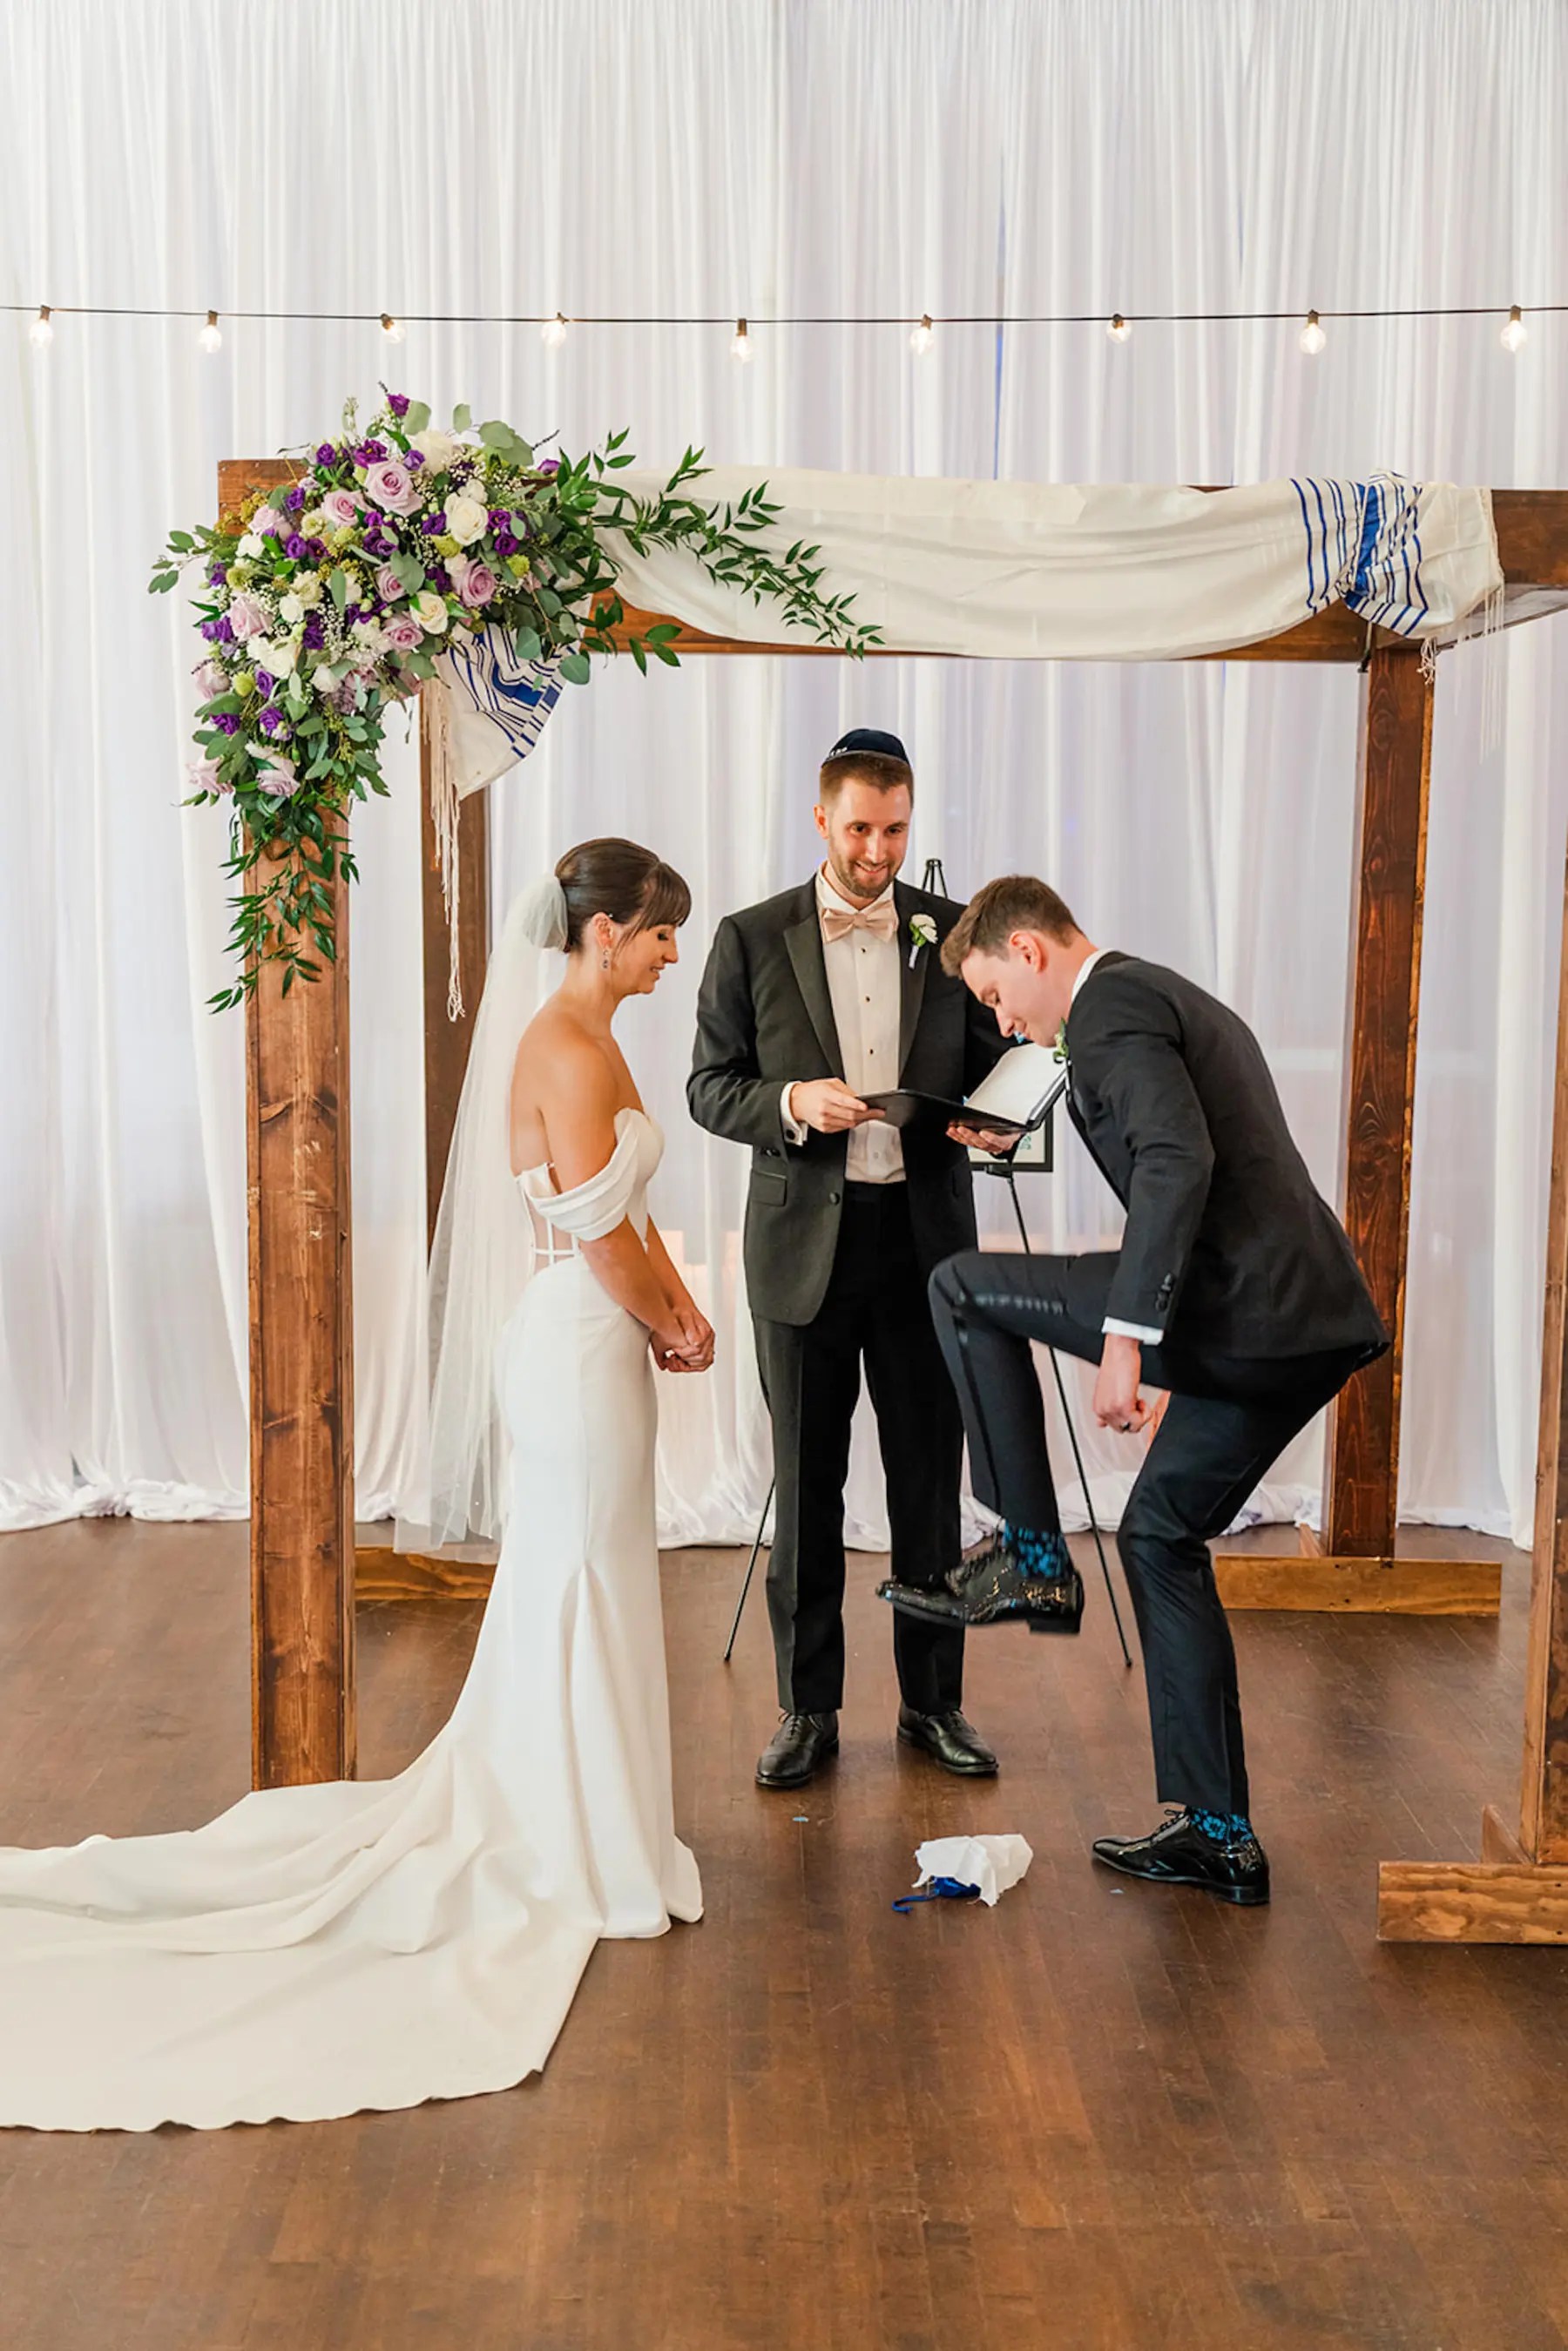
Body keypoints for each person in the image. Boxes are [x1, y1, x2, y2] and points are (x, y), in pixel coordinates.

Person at [0, 840, 708, 2131]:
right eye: (662, 930)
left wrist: (674, 1305)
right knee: (576, 1578)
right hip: (578, 1339)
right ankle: (574, 1837)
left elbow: (628, 1206)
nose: (673, 950)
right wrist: (673, 1317)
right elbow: (601, 1234)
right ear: (607, 931)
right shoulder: (561, 1042)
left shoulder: (597, 1035)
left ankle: (604, 1820)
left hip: (606, 1339)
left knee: (598, 1571)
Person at [882, 876, 1388, 1906]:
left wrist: (1132, 1339)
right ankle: (1218, 1832)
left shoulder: (1109, 1006)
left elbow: (1175, 1157)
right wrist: (1172, 1348)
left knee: (962, 1286)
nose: (998, 1017)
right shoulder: (1150, 998)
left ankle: (1031, 1557)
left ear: (1027, 949)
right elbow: (1194, 1160)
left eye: (991, 993)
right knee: (1158, 1532)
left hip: (1248, 1309)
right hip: (1291, 1322)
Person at [689, 728, 1010, 1790]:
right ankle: (807, 1708)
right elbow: (708, 1085)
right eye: (861, 827)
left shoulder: (948, 931)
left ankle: (934, 1705)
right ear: (822, 819)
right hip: (801, 1252)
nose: (879, 849)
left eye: (897, 828)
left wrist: (995, 1121)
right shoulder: (749, 935)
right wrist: (788, 1102)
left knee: (930, 1487)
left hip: (925, 1249)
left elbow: (1003, 1058)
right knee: (806, 1485)